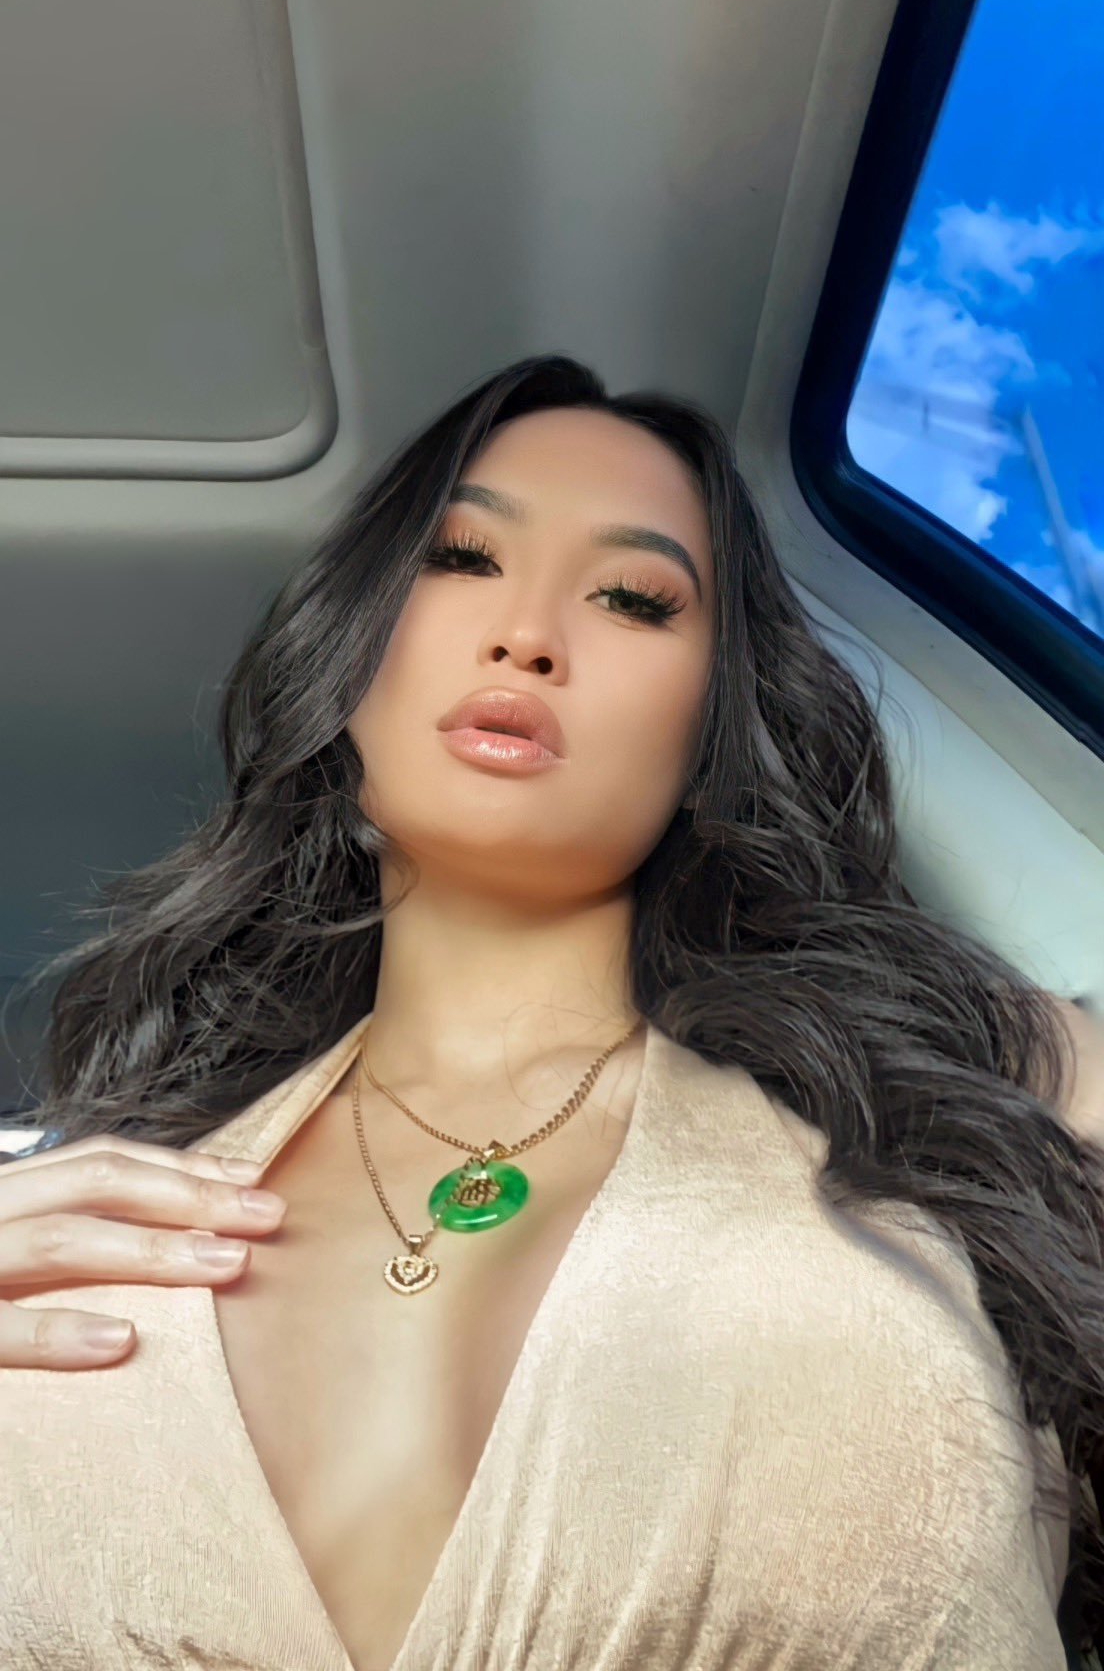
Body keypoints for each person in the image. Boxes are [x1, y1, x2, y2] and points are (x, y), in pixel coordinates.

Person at [0, 352, 1102, 1670]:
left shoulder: (960, 1075)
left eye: (634, 599)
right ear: (349, 666)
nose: (527, 633)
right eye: (461, 560)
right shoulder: (93, 1200)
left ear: (714, 730)